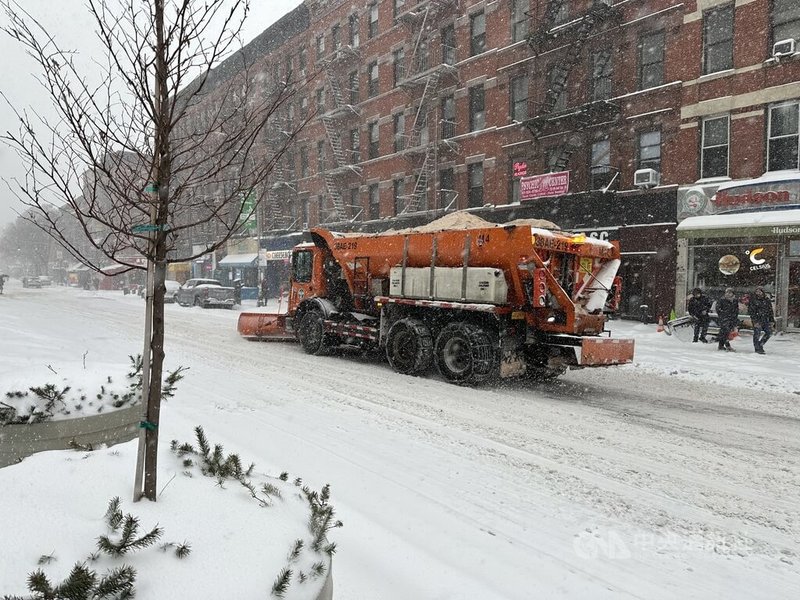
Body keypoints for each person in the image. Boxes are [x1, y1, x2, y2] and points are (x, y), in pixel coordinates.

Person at [748, 286, 775, 355]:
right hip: (757, 319)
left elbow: (770, 311)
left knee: (769, 332)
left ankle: (760, 344)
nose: (758, 293)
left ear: (763, 292)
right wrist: (755, 321)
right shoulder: (753, 300)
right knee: (757, 333)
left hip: (765, 319)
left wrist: (772, 321)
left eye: (760, 291)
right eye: (757, 291)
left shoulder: (767, 300)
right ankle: (757, 348)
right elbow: (751, 312)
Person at [715, 288, 739, 352]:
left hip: (732, 319)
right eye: (727, 292)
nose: (728, 294)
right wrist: (723, 315)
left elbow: (736, 310)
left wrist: (734, 318)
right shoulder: (722, 300)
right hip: (724, 319)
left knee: (725, 333)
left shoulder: (735, 300)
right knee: (725, 332)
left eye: (730, 292)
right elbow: (718, 309)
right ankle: (727, 346)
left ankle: (721, 346)